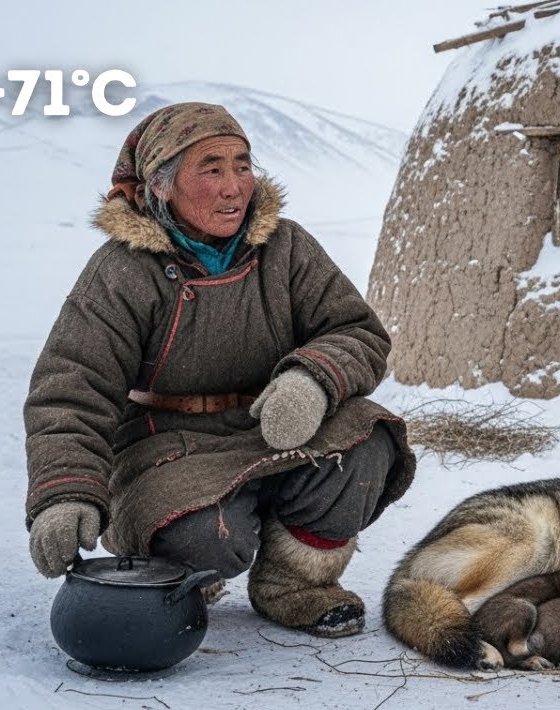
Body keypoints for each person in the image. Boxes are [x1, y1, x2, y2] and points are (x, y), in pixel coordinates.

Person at [23, 102, 415, 638]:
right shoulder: (121, 272)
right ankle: (185, 578)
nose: (235, 186)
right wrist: (64, 492)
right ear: (161, 185)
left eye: (242, 165)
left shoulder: (286, 247)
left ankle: (294, 584)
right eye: (211, 169)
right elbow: (71, 390)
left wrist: (310, 381)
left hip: (271, 426)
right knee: (205, 536)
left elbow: (357, 331)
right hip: (168, 444)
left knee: (366, 447)